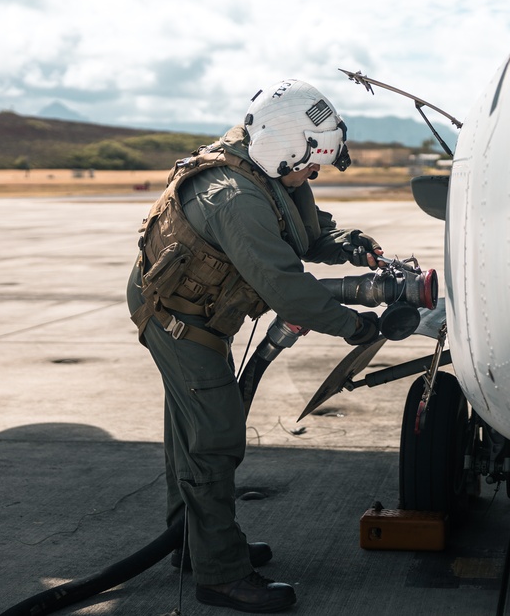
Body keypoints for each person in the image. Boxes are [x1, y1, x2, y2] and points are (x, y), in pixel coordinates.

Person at [126, 79, 383, 613]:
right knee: (214, 438)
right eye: (310, 166)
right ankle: (219, 575)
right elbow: (287, 288)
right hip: (177, 320)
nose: (312, 175)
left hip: (194, 313)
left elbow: (305, 236)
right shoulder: (235, 197)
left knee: (191, 427)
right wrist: (357, 327)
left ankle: (193, 546)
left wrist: (349, 245)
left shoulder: (268, 171)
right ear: (285, 147)